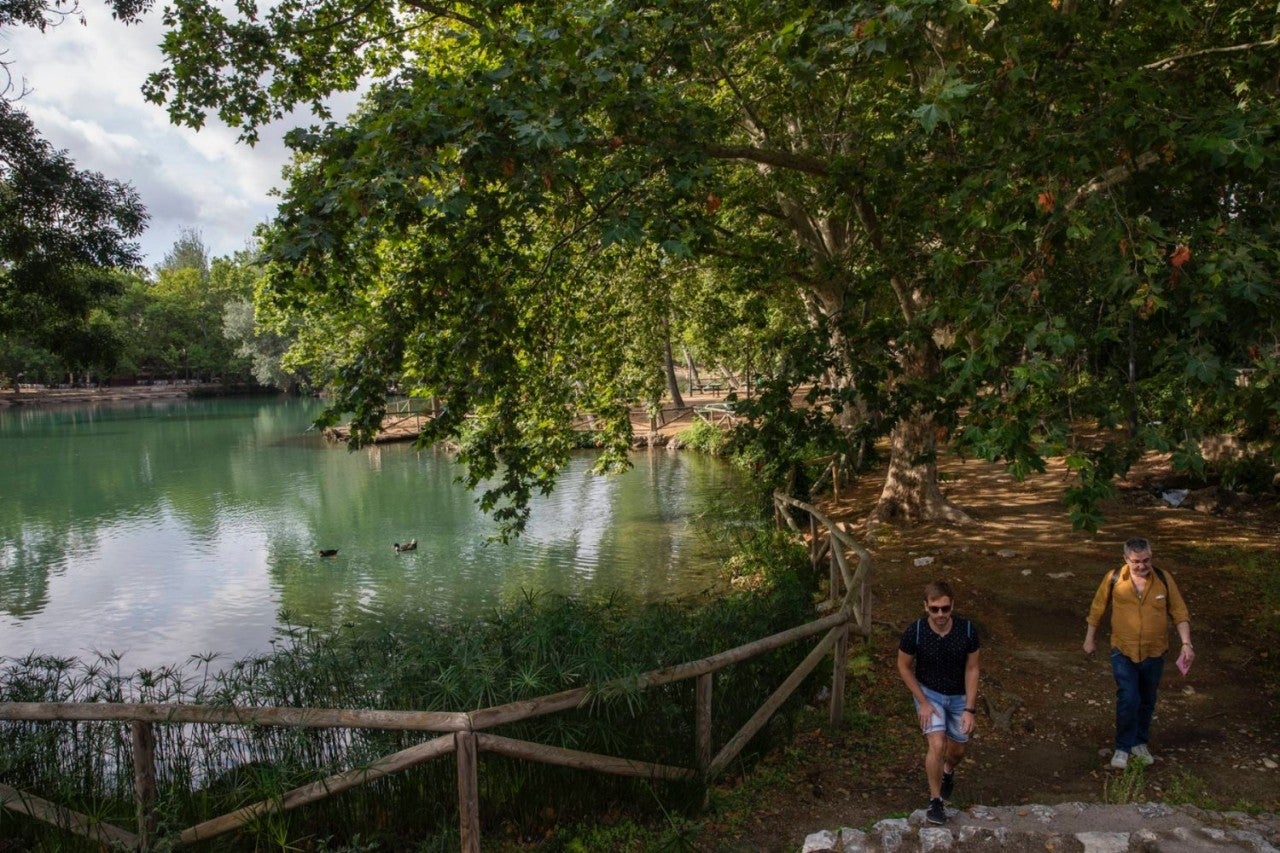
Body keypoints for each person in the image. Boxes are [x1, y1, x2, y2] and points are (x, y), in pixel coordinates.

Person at [1083, 536, 1193, 770]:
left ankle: (1139, 743)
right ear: (1126, 559)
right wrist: (1089, 639)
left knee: (1147, 699)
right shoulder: (1114, 579)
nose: (1142, 566)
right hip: (1123, 649)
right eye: (1136, 561)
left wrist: (1186, 644)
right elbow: (1097, 608)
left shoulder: (1163, 579)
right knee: (1128, 698)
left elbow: (1179, 612)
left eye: (1146, 560)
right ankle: (1122, 747)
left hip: (1155, 651)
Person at [897, 580, 981, 825]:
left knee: (957, 751)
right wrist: (922, 701)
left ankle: (948, 772)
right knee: (936, 743)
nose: (940, 614)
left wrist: (970, 708)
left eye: (945, 608)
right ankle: (935, 801)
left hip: (958, 696)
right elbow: (903, 666)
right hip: (929, 693)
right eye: (935, 609)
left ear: (952, 605)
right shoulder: (916, 632)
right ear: (926, 607)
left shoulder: (966, 630)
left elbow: (973, 668)